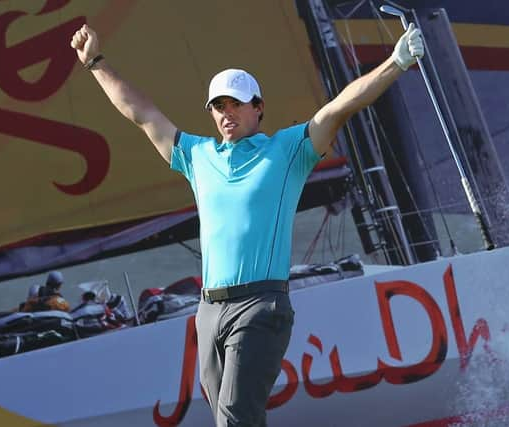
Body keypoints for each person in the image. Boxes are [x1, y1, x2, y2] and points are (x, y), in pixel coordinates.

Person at [70, 22, 423, 426]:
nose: (227, 113)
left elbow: (339, 108)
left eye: (236, 104)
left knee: (235, 418)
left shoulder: (289, 150)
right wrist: (96, 63)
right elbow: (142, 113)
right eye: (219, 106)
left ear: (258, 107)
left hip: (261, 307)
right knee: (234, 419)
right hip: (208, 310)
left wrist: (396, 62)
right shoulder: (197, 155)